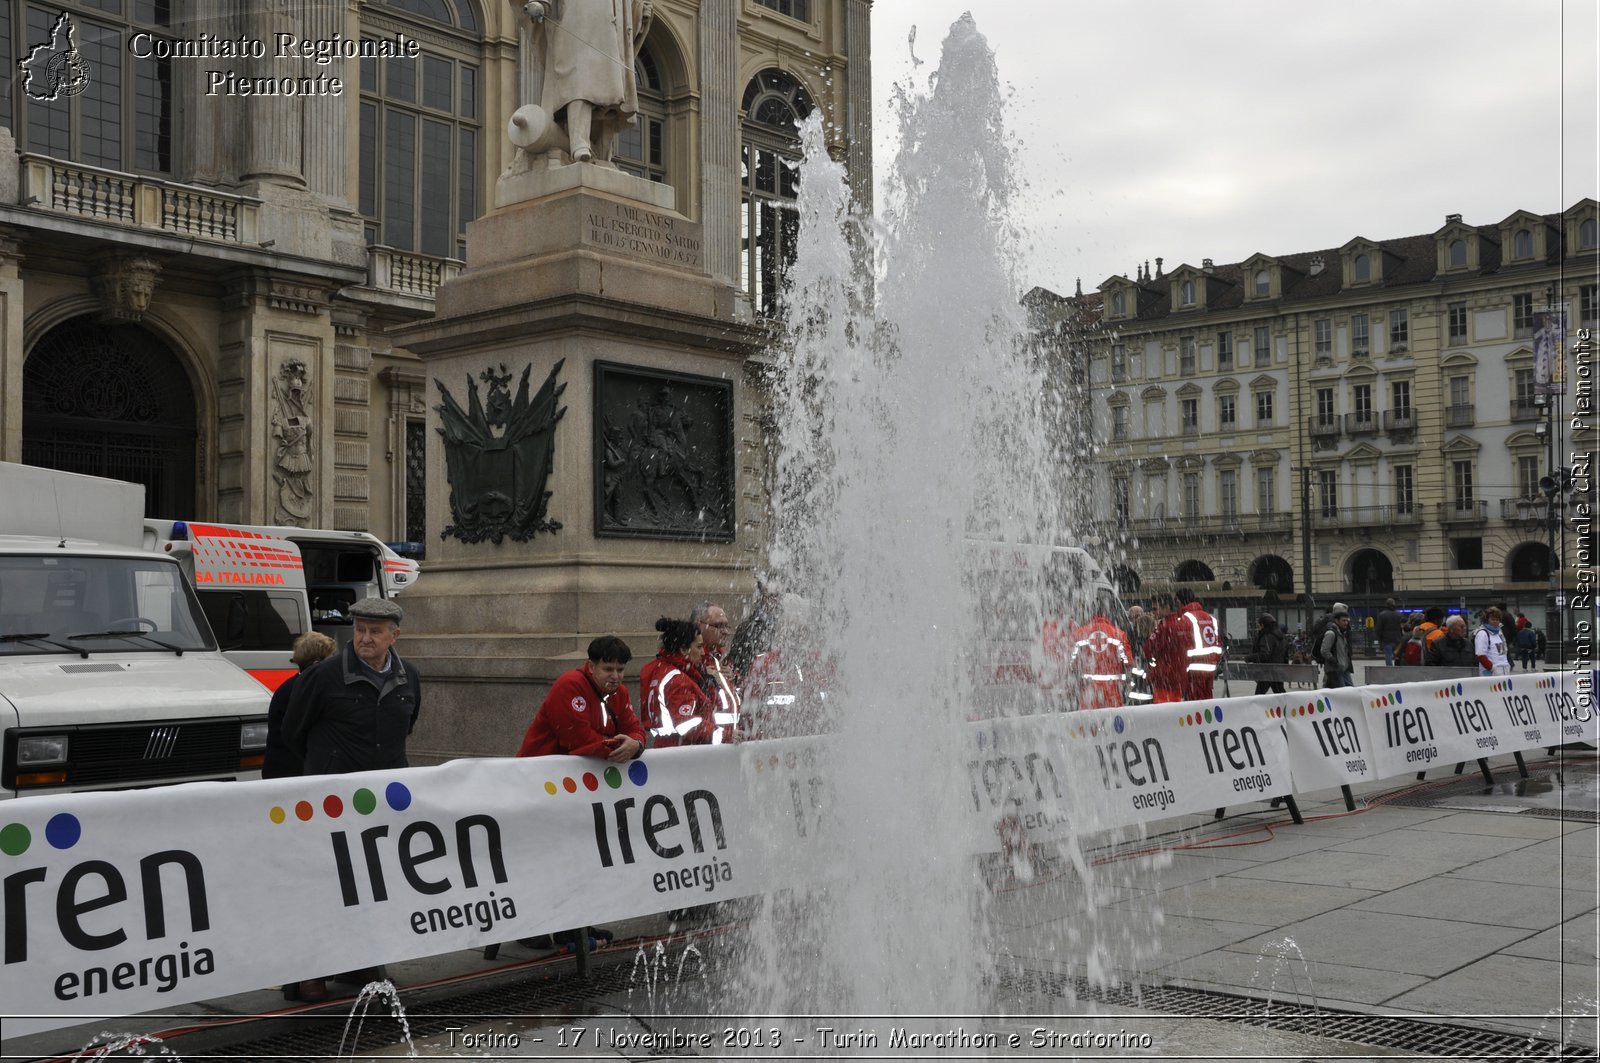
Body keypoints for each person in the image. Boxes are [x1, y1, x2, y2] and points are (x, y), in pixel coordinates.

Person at [281, 597, 420, 1002]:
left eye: (375, 631)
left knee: (374, 886)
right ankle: (310, 972)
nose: (365, 638)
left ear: (395, 635)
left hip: (381, 805)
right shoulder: (324, 676)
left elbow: (405, 727)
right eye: (360, 629)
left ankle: (363, 967)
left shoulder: (409, 676)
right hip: (330, 803)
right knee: (324, 886)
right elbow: (294, 733)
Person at [521, 0, 653, 165]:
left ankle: (603, 152)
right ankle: (579, 142)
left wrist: (638, 10)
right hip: (576, 15)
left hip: (608, 23)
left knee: (610, 87)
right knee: (579, 78)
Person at [517, 636, 645, 760]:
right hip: (540, 769)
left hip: (583, 771)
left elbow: (633, 728)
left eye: (620, 670)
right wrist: (621, 748)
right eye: (608, 669)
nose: (615, 676)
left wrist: (636, 744)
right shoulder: (570, 685)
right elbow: (578, 739)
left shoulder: (620, 692)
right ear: (591, 667)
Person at [263, 631, 337, 779]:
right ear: (317, 663)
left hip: (281, 768)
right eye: (330, 659)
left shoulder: (292, 685)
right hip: (291, 772)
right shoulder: (305, 689)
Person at [643, 617, 718, 747]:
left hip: (667, 747)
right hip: (680, 750)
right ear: (683, 649)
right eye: (699, 647)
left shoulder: (660, 669)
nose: (703, 652)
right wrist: (722, 734)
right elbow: (686, 725)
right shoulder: (677, 680)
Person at [691, 600, 740, 742]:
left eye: (726, 626)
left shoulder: (721, 657)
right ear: (698, 625)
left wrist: (735, 678)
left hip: (729, 742)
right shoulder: (693, 662)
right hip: (707, 745)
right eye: (718, 626)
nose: (725, 632)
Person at [1067, 611, 1132, 710]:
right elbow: (1128, 662)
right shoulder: (1118, 634)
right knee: (1112, 720)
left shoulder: (1079, 633)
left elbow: (1071, 663)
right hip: (1112, 689)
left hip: (1088, 689)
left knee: (1089, 720)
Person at [1142, 593, 1188, 703]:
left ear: (1166, 607)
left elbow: (1147, 650)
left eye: (1155, 609)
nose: (1153, 613)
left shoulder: (1163, 627)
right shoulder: (1183, 623)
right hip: (1180, 677)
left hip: (1164, 679)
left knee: (1162, 713)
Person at [1177, 591, 1221, 701]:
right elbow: (1219, 642)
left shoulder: (1186, 618)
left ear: (1181, 602)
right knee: (1207, 700)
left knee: (1194, 704)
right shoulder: (1210, 618)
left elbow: (1182, 645)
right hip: (1210, 667)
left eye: (1177, 601)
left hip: (1194, 668)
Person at [1248, 613, 1288, 695]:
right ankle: (1287, 707)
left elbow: (1264, 655)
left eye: (1260, 625)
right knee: (1280, 695)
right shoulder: (1280, 637)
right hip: (1278, 671)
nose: (1259, 627)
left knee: (1259, 697)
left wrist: (1249, 658)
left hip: (1267, 671)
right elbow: (1285, 656)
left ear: (1263, 625)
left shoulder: (1267, 636)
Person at [1319, 603, 1354, 687]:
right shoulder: (1331, 633)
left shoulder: (1343, 633)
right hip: (1335, 670)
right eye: (1343, 620)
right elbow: (1324, 651)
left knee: (1351, 691)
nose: (1346, 623)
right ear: (1336, 620)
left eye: (1347, 620)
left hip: (1344, 668)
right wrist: (1335, 663)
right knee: (1342, 693)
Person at [1475, 606, 1511, 676]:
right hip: (1491, 674)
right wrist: (1492, 668)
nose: (1495, 621)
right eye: (1493, 619)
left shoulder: (1499, 633)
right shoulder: (1482, 633)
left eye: (1497, 619)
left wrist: (1507, 665)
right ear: (1487, 620)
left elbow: (1504, 652)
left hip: (1504, 672)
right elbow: (1480, 655)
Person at [1375, 598, 1404, 667]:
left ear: (1386, 605)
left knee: (1388, 655)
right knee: (1398, 655)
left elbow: (1379, 629)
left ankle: (1389, 670)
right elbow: (1402, 627)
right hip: (1398, 638)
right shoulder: (1399, 614)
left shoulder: (1382, 615)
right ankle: (1398, 667)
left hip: (1386, 639)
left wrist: (1379, 640)